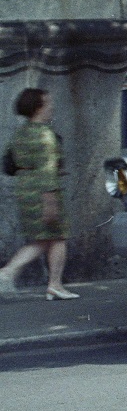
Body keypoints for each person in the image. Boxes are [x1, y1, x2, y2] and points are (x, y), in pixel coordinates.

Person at [0, 88, 76, 299]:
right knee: (57, 236)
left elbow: (10, 162)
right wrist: (50, 201)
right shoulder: (45, 135)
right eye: (48, 103)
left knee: (44, 238)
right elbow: (47, 170)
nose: (52, 107)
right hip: (44, 190)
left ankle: (54, 285)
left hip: (25, 188)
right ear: (38, 107)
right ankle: (9, 273)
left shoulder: (21, 132)